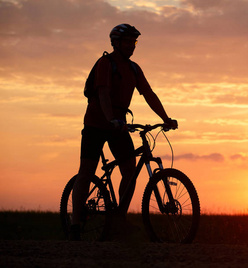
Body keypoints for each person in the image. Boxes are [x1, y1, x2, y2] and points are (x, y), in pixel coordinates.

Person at [70, 24, 177, 241]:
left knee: (129, 170)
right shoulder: (105, 63)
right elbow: (103, 94)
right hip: (96, 125)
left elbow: (149, 94)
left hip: (118, 125)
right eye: (128, 42)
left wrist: (165, 119)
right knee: (87, 172)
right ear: (116, 43)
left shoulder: (134, 69)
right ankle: (74, 221)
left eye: (134, 42)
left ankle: (120, 220)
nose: (132, 46)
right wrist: (111, 119)